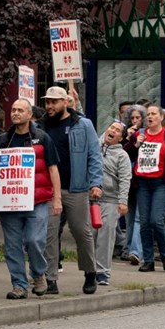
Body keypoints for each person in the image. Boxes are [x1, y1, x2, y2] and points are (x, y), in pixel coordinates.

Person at [0, 98, 61, 299]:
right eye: (13, 110)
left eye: (20, 110)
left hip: (37, 201)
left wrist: (57, 198)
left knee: (34, 240)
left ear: (30, 115)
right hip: (9, 202)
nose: (15, 113)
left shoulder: (42, 138)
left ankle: (38, 273)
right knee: (13, 245)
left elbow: (53, 168)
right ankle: (19, 285)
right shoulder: (3, 140)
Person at [40, 86, 103, 295]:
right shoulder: (41, 127)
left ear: (65, 103)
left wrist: (96, 183)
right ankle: (51, 279)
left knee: (81, 232)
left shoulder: (83, 124)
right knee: (50, 234)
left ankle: (90, 271)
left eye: (54, 102)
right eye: (47, 102)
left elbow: (94, 155)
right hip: (49, 190)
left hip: (76, 188)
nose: (49, 106)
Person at [125, 104, 165, 271]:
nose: (150, 117)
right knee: (145, 223)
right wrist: (135, 144)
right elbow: (126, 154)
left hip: (161, 183)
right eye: (148, 115)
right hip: (142, 183)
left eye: (153, 114)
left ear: (161, 118)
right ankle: (148, 260)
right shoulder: (140, 134)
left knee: (156, 220)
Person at [96, 121, 131, 283]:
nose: (113, 131)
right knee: (90, 235)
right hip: (91, 199)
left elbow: (125, 179)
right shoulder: (95, 145)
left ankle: (102, 272)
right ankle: (90, 269)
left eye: (117, 130)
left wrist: (123, 201)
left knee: (106, 236)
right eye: (111, 127)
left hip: (111, 200)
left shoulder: (122, 156)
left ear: (121, 138)